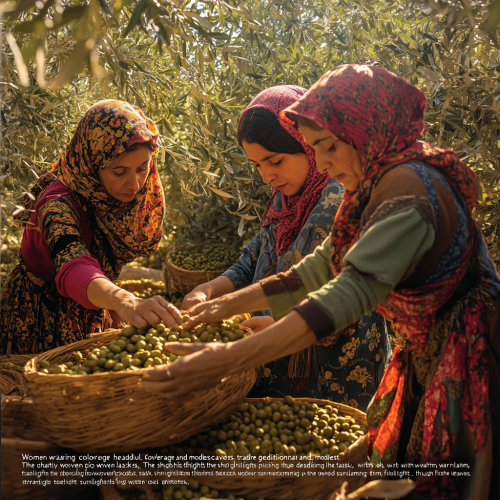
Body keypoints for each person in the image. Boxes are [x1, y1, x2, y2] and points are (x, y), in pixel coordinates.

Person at [143, 65, 500, 500]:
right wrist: (222, 306)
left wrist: (228, 359)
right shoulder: (374, 184)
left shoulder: (408, 190)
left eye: (328, 147)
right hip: (430, 353)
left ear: (366, 129)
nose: (324, 163)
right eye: (315, 148)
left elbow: (349, 292)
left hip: (467, 356)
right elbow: (318, 269)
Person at [181, 85, 389, 409]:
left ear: (304, 142)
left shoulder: (343, 197)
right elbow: (254, 258)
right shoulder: (284, 199)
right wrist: (209, 290)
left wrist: (279, 327)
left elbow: (346, 290)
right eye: (257, 165)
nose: (267, 176)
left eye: (274, 160)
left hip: (336, 368)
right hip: (276, 358)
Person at [0, 100, 182, 355]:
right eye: (119, 172)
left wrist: (117, 308)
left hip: (92, 303)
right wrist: (123, 300)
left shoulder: (105, 195)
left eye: (143, 168)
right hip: (41, 316)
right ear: (92, 165)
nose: (136, 183)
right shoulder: (56, 205)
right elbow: (74, 264)